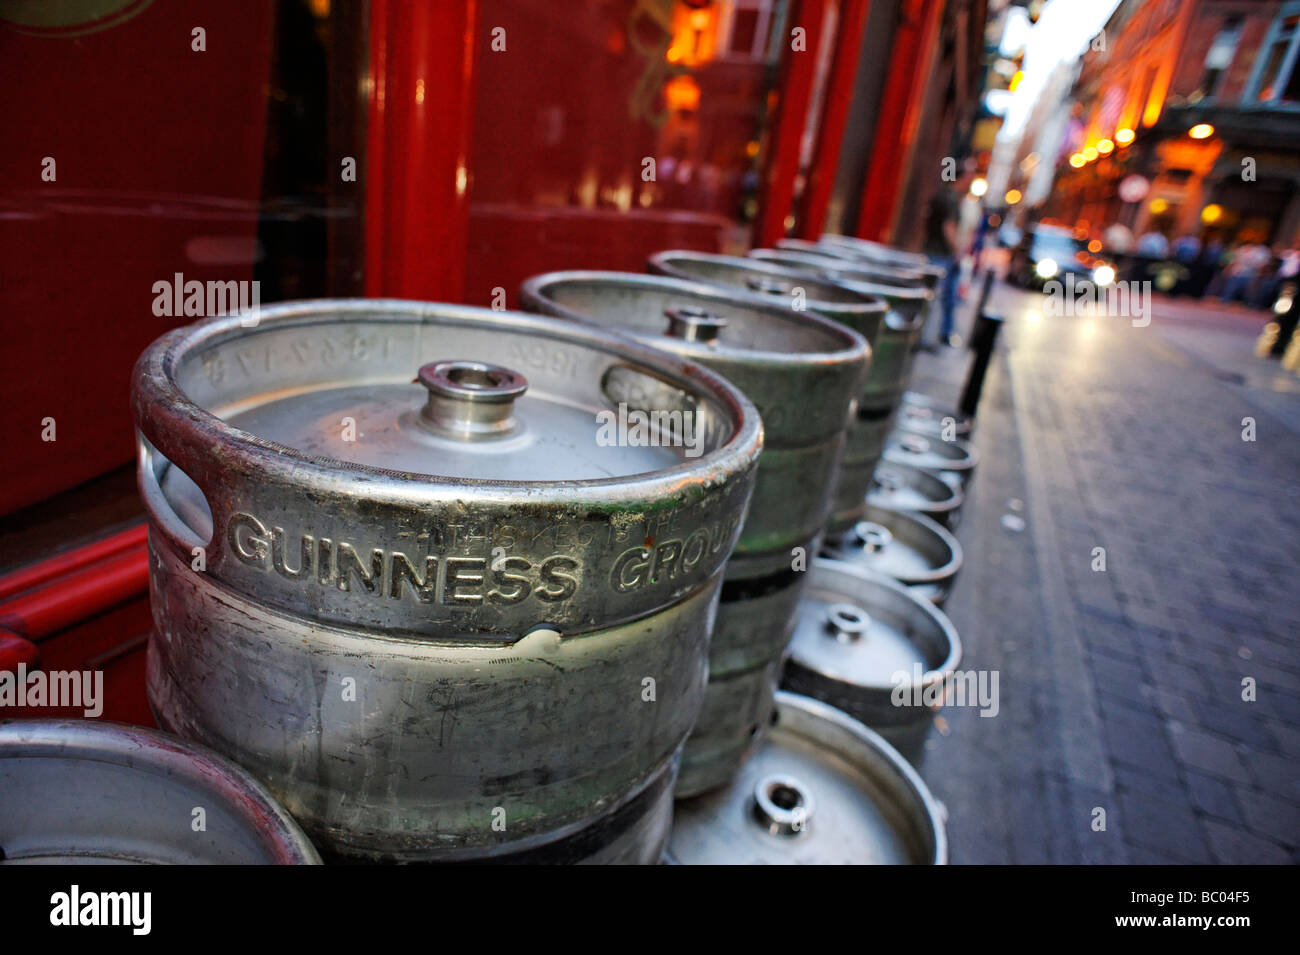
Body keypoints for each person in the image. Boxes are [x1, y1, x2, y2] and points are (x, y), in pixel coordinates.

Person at [920, 173, 967, 347]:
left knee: (930, 295)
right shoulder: (951, 199)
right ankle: (930, 336)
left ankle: (925, 335)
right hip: (941, 255)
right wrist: (957, 251)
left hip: (932, 251)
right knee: (940, 296)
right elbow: (948, 227)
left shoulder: (940, 195)